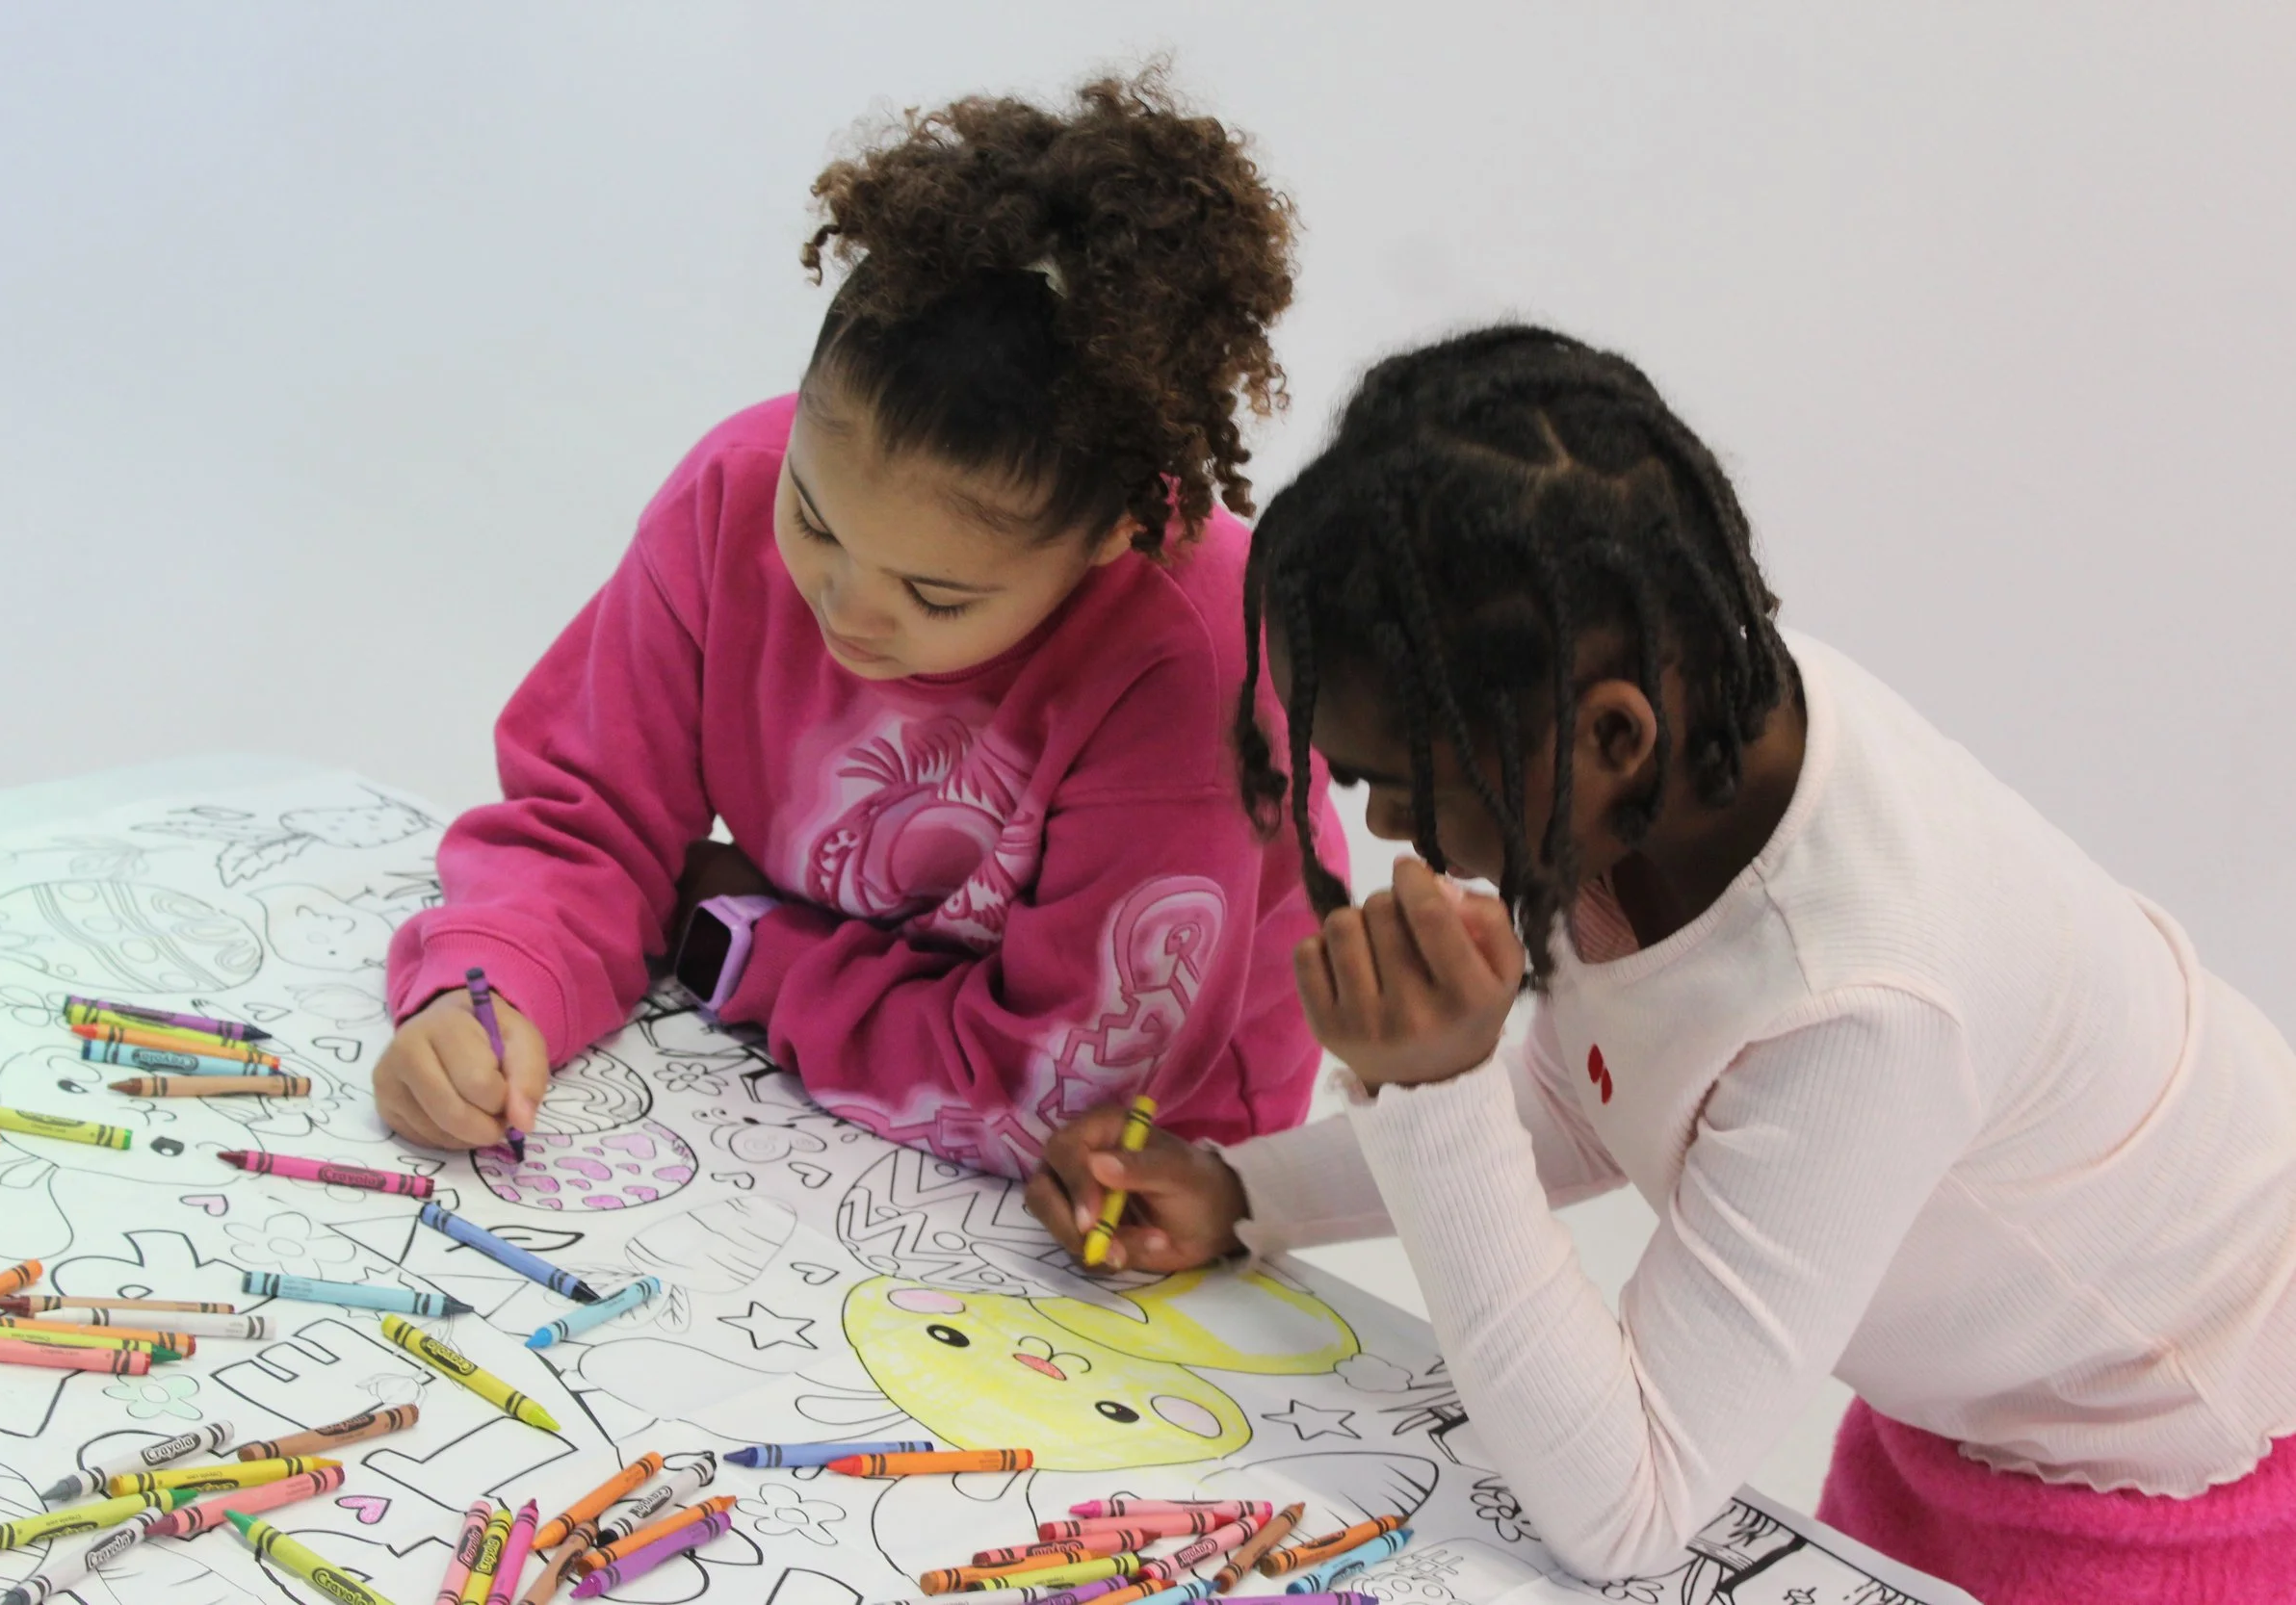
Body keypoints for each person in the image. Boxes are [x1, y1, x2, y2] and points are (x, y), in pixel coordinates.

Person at [1027, 326, 2296, 1601]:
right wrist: (1240, 1189)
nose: (1391, 832)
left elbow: (1626, 1511)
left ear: (1612, 733)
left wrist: (1434, 1090)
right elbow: (1599, 1092)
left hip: (2164, 1473)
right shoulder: (1695, 747)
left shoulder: (1862, 1007)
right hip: (1967, 1397)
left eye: (1398, 782)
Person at [373, 69, 1344, 1178]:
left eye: (937, 596)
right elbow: (590, 816)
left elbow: (1060, 1101)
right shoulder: (731, 492)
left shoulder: (1198, 660)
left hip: (1124, 1190)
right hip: (796, 1082)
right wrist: (490, 984)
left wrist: (739, 945)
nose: (847, 609)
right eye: (814, 519)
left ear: (1116, 529)